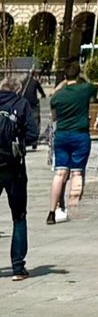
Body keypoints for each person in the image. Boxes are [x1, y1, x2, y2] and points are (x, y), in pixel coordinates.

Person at [46, 60, 98, 223]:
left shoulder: (58, 96)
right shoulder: (84, 89)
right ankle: (72, 207)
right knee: (76, 172)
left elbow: (54, 115)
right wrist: (83, 76)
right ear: (78, 74)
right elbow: (96, 86)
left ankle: (52, 211)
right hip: (80, 135)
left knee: (59, 173)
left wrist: (62, 83)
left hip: (61, 135)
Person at [0, 73, 41, 280]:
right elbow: (34, 134)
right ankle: (17, 268)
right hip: (13, 167)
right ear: (16, 89)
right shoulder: (21, 103)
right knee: (19, 216)